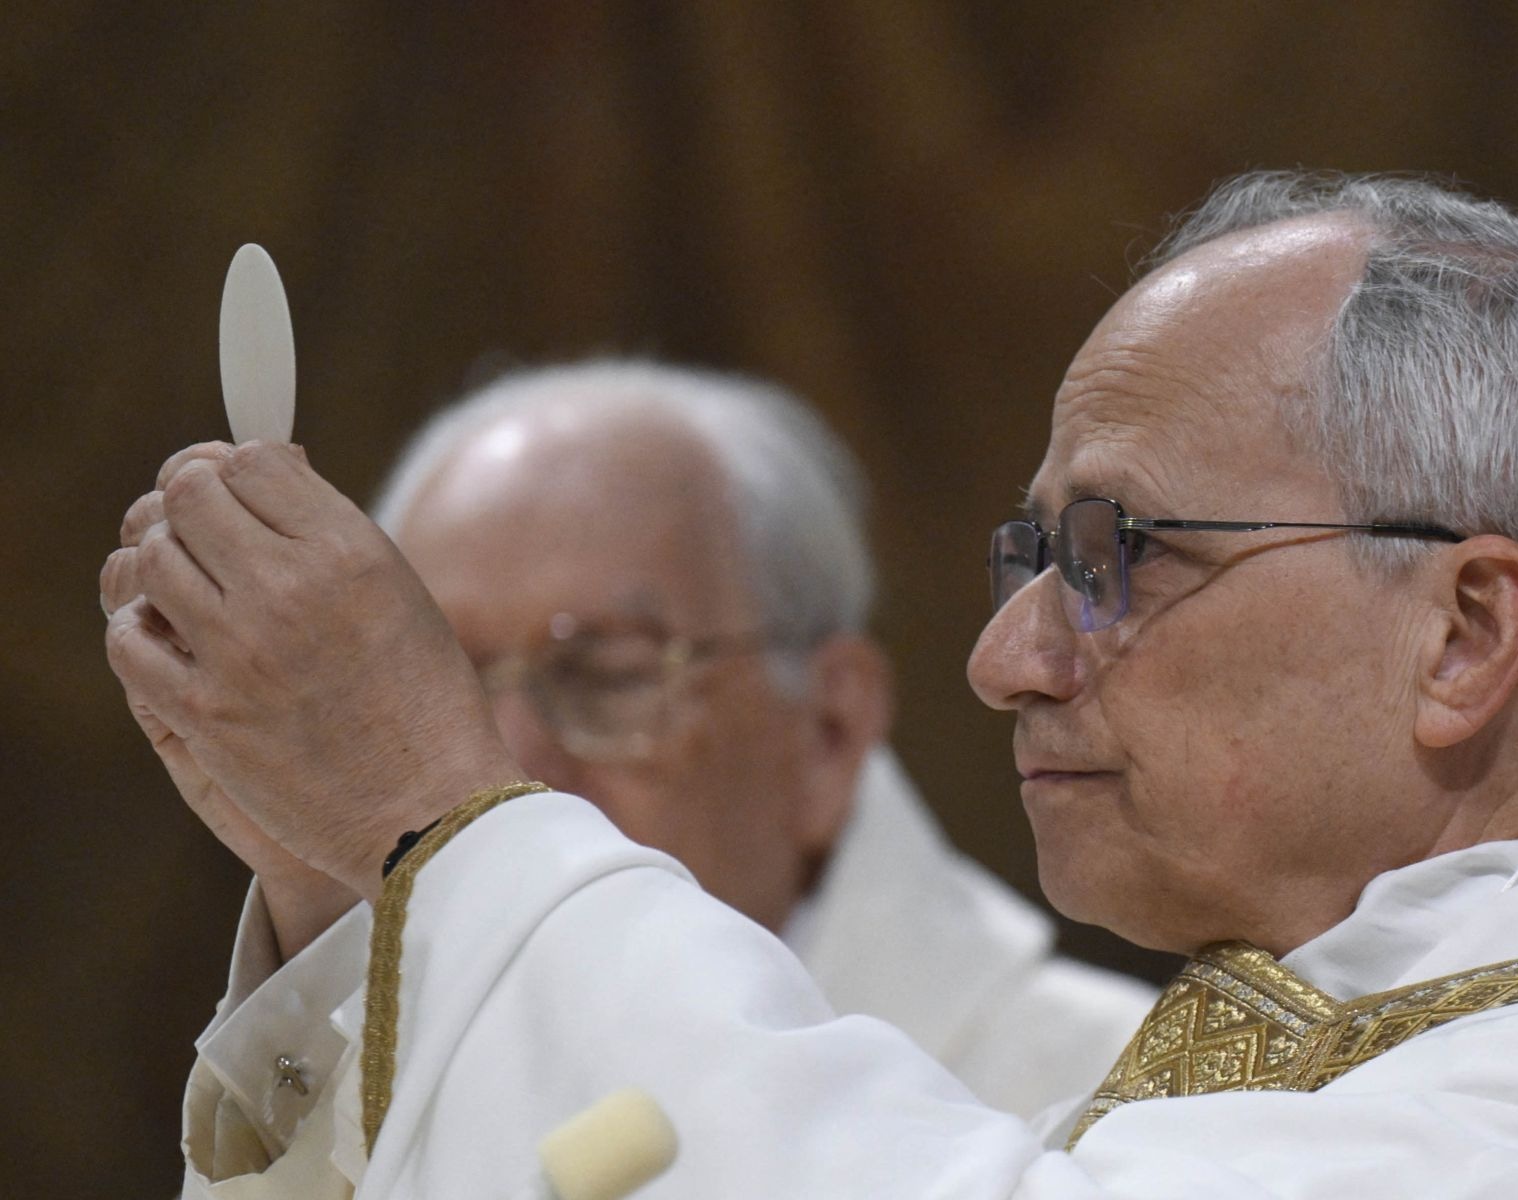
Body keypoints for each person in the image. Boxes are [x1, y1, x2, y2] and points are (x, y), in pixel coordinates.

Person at [104, 171, 1518, 1197]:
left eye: (1121, 553)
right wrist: (372, 896)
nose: (1005, 658)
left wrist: (444, 820)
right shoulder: (1428, 1049)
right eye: (1032, 560)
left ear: (1459, 634)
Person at [131, 361, 1153, 1196]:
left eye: (608, 675)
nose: (513, 757)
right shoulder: (365, 1045)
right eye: (432, 689)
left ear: (831, 730)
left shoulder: (1131, 1108)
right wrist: (323, 907)